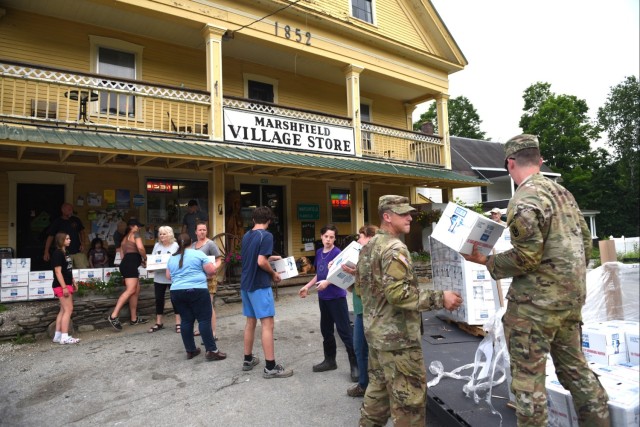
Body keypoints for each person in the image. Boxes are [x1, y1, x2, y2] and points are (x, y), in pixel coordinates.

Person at [462, 134, 610, 427]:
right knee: (576, 371)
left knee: (528, 383)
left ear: (510, 163)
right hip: (569, 302)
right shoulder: (564, 194)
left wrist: (487, 261)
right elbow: (586, 243)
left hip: (534, 309)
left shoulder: (525, 198)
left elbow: (526, 258)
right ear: (539, 161)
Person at [358, 195, 462, 427]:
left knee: (378, 395)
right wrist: (440, 298)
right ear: (387, 217)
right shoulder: (395, 248)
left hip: (377, 335)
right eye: (403, 213)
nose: (409, 217)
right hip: (399, 341)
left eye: (409, 212)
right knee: (410, 405)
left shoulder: (370, 246)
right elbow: (398, 294)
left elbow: (361, 289)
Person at [299, 224, 357, 382]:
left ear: (335, 239)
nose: (329, 240)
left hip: (336, 298)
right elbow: (320, 274)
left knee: (344, 331)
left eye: (332, 237)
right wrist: (307, 286)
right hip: (323, 298)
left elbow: (339, 273)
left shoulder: (338, 253)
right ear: (322, 237)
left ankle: (355, 365)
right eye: (326, 236)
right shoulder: (319, 252)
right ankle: (330, 361)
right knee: (326, 330)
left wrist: (328, 283)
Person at [240, 206, 293, 379]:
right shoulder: (267, 235)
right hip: (260, 285)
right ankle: (270, 366)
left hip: (246, 285)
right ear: (269, 221)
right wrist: (273, 273)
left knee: (250, 322)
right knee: (268, 324)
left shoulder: (247, 235)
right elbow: (261, 261)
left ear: (254, 220)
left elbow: (254, 257)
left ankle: (247, 359)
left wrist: (272, 258)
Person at [167, 233, 226, 361]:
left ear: (178, 243)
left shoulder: (172, 258)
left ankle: (191, 350)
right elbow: (211, 271)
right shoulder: (198, 254)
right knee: (204, 320)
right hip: (197, 290)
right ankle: (211, 351)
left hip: (177, 292)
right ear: (191, 243)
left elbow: (168, 276)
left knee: (186, 321)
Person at [343, 225, 378, 397]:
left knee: (374, 351)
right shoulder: (360, 257)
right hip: (359, 310)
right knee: (359, 348)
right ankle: (363, 384)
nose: (358, 240)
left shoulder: (376, 258)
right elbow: (354, 289)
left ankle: (377, 389)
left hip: (373, 312)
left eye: (361, 236)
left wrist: (357, 274)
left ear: (370, 237)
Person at [107, 218, 149, 330]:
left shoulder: (124, 238)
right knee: (130, 290)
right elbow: (140, 248)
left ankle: (134, 319)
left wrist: (137, 261)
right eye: (138, 226)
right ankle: (113, 316)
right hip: (130, 265)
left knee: (135, 291)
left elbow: (122, 255)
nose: (139, 228)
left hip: (126, 264)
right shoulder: (135, 235)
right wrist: (145, 258)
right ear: (132, 226)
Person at [191, 221, 222, 339]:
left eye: (204, 229)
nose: (202, 232)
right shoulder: (193, 245)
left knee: (208, 305)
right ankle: (200, 328)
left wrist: (213, 268)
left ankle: (213, 332)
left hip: (209, 279)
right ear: (196, 232)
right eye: (200, 230)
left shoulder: (210, 244)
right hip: (197, 279)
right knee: (198, 305)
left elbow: (219, 260)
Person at [148, 226, 180, 333]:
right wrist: (150, 268)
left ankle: (178, 323)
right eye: (160, 234)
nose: (162, 236)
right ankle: (159, 322)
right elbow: (152, 259)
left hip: (172, 277)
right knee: (159, 299)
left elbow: (178, 260)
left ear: (170, 234)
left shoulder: (175, 246)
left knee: (175, 300)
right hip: (159, 277)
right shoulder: (157, 245)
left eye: (164, 234)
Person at [51, 232, 81, 345]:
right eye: (67, 239)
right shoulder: (57, 254)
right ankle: (64, 337)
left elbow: (67, 269)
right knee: (68, 310)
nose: (70, 240)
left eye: (69, 238)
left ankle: (57, 336)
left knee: (63, 310)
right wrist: (64, 287)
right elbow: (58, 272)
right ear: (61, 240)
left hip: (67, 283)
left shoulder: (65, 252)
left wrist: (73, 281)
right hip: (61, 286)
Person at [43, 202, 88, 268]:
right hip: (64, 253)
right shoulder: (57, 221)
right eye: (69, 210)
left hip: (78, 251)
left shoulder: (76, 220)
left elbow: (82, 232)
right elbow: (50, 236)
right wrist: (46, 251)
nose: (71, 211)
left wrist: (83, 243)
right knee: (68, 271)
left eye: (72, 209)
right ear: (63, 210)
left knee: (83, 270)